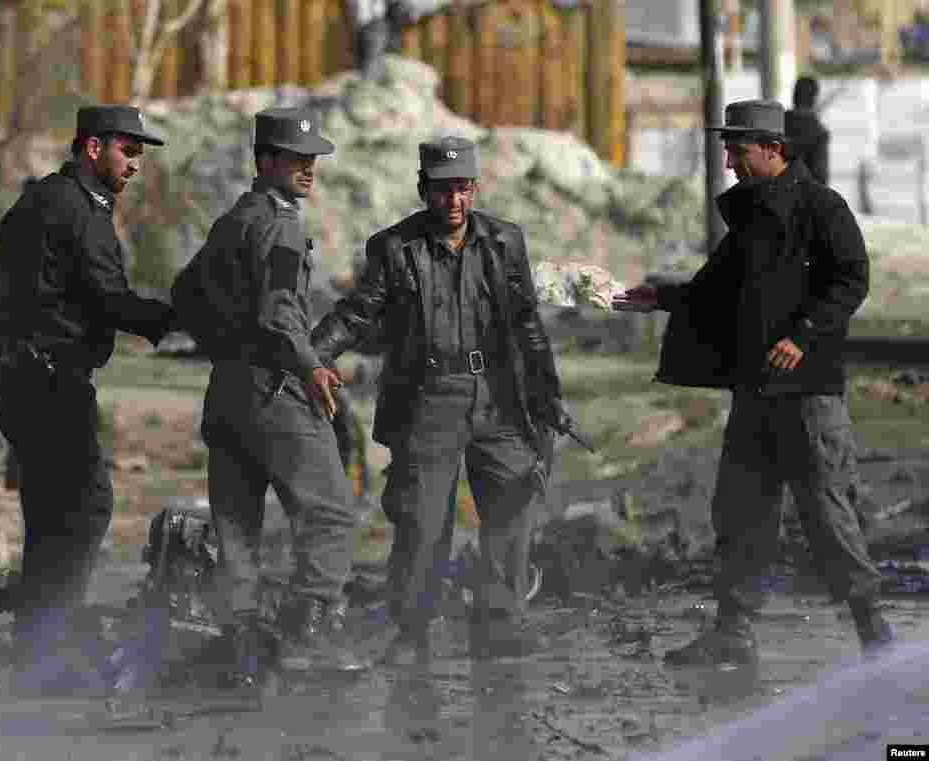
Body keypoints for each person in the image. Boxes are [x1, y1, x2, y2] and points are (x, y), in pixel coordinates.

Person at [615, 99, 894, 666]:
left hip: (808, 395)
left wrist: (804, 335)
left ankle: (875, 635)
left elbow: (851, 279)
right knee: (741, 512)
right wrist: (658, 298)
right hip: (755, 392)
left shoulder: (822, 207)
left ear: (774, 150)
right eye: (728, 150)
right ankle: (733, 633)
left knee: (826, 513)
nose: (730, 162)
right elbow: (714, 291)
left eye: (738, 151)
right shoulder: (750, 216)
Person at [310, 136, 568, 664]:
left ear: (474, 189)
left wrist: (547, 395)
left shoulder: (503, 241)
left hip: (497, 397)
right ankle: (411, 633)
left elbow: (527, 325)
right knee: (423, 522)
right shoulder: (395, 247)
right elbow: (359, 314)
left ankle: (499, 622)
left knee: (514, 503)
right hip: (428, 399)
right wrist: (311, 356)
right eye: (442, 191)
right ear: (423, 190)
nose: (453, 202)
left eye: (462, 189)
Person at [175, 107, 367, 679]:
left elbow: (185, 292)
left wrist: (223, 348)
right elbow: (280, 311)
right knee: (330, 513)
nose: (307, 169)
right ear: (265, 162)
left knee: (237, 528)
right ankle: (308, 638)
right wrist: (309, 365)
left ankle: (241, 647)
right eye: (294, 160)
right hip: (274, 390)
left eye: (311, 160)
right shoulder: (281, 222)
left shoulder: (236, 217)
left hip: (227, 392)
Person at [0, 105, 177, 688]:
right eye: (127, 150)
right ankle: (49, 650)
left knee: (50, 518)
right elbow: (110, 298)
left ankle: (36, 647)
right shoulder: (81, 211)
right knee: (84, 510)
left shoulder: (39, 199)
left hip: (22, 378)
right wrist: (183, 318)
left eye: (140, 153)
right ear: (92, 148)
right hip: (52, 384)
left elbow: (10, 249)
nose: (135, 163)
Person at [785, 75, 830, 185]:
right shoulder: (819, 133)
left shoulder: (777, 123)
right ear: (814, 98)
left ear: (794, 95)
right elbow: (821, 176)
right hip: (805, 198)